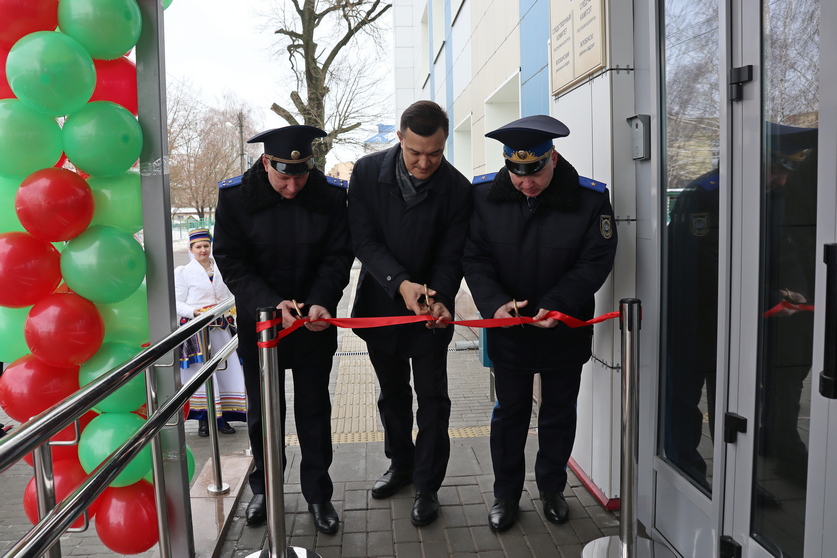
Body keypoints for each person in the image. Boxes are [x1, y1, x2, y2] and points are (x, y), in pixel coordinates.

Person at [463, 115, 618, 532]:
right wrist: (494, 304)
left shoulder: (589, 199)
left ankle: (552, 488)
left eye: (535, 172)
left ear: (554, 158)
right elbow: (474, 257)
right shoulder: (484, 196)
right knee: (509, 413)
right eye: (516, 173)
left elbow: (596, 260)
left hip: (563, 327)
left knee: (558, 412)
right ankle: (505, 494)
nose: (526, 183)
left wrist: (557, 304)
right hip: (509, 329)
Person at [213, 125, 352, 535]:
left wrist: (322, 298)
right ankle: (265, 488)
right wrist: (270, 303)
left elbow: (338, 255)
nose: (292, 188)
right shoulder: (236, 197)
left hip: (313, 323)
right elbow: (231, 260)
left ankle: (318, 494)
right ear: (265, 163)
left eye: (301, 177)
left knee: (314, 412)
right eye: (283, 178)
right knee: (263, 414)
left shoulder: (330, 196)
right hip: (262, 326)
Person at [348, 100, 472, 527]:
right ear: (399, 137)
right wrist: (399, 283)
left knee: (433, 399)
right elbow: (363, 239)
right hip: (382, 303)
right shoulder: (366, 172)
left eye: (435, 153)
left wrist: (438, 296)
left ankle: (428, 485)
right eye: (415, 151)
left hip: (431, 310)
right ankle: (400, 464)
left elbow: (452, 254)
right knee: (392, 394)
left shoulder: (457, 188)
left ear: (445, 143)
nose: (424, 162)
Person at [175, 228, 246, 437]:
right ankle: (204, 421)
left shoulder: (222, 268)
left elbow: (231, 294)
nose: (203, 250)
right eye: (198, 247)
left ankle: (223, 418)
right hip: (197, 331)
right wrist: (194, 312)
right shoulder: (183, 272)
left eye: (206, 245)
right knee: (201, 374)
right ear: (191, 249)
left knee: (225, 371)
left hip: (222, 329)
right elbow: (177, 302)